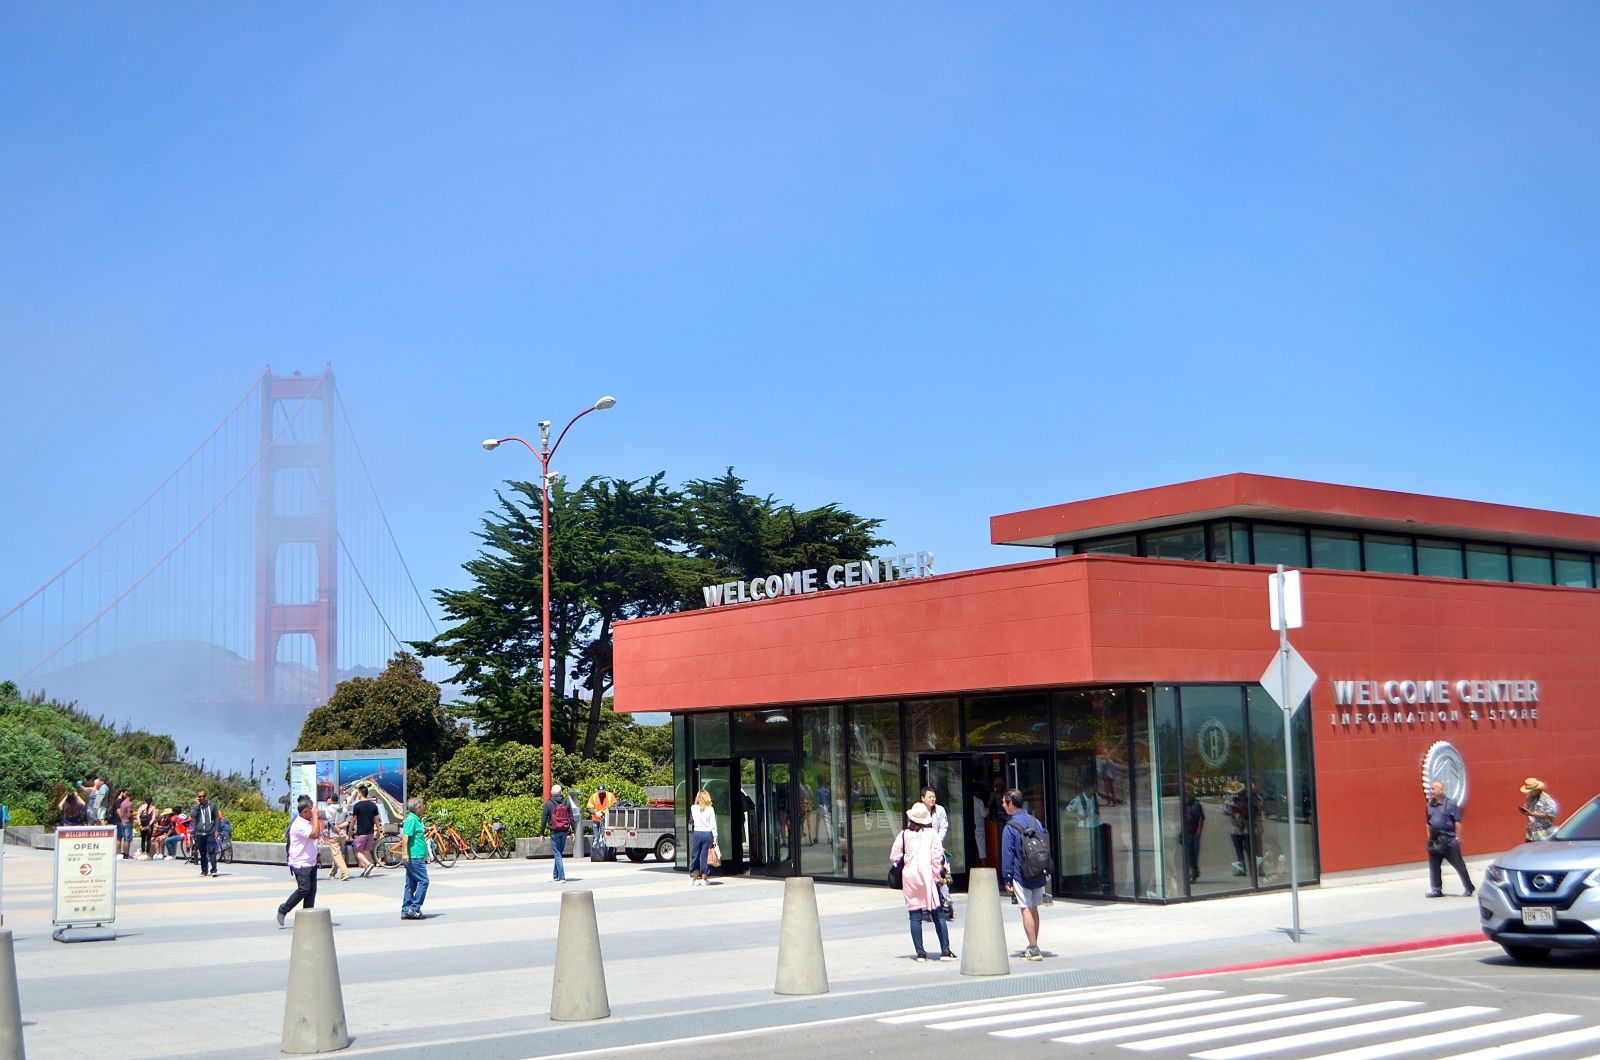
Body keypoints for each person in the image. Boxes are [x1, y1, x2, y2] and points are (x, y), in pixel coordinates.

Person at [891, 803, 954, 961]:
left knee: (914, 915)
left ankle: (920, 953)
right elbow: (937, 857)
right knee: (938, 913)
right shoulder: (932, 834)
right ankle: (945, 950)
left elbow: (894, 856)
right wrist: (938, 878)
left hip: (910, 877)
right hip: (928, 877)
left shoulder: (904, 835)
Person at [1001, 788, 1047, 961]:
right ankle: (1034, 944)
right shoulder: (1036, 822)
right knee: (1034, 907)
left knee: (1025, 908)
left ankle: (1033, 948)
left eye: (1004, 803)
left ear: (1011, 804)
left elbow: (1008, 854)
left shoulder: (1010, 827)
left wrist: (1007, 878)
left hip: (1021, 873)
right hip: (1038, 870)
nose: (1003, 806)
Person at [1424, 779, 1474, 898]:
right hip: (1435, 839)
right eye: (1431, 788)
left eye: (1433, 788)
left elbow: (1457, 822)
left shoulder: (1451, 804)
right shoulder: (1429, 805)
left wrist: (1457, 837)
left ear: (1441, 790)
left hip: (1449, 839)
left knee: (1458, 864)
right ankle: (1436, 889)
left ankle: (1468, 887)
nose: (1431, 791)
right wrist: (1429, 838)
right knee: (1434, 865)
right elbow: (1428, 823)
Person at [277, 796, 320, 927]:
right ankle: (283, 909)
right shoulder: (299, 824)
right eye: (311, 810)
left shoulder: (308, 821)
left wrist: (317, 854)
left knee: (311, 891)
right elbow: (314, 835)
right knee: (304, 889)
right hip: (301, 863)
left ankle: (307, 918)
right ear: (304, 812)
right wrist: (316, 817)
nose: (313, 812)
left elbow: (314, 840)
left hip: (311, 862)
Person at [919, 786, 954, 919]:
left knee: (942, 872)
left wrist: (937, 841)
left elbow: (944, 826)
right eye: (930, 797)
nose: (932, 799)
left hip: (937, 847)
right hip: (923, 848)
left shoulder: (940, 810)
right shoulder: (919, 812)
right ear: (923, 798)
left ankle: (946, 899)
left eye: (934, 797)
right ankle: (925, 903)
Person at [400, 797, 429, 920]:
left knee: (410, 883)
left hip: (415, 855)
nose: (423, 808)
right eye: (422, 806)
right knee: (424, 881)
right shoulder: (411, 820)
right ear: (417, 808)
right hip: (414, 856)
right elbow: (405, 837)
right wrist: (406, 853)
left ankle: (406, 910)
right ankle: (414, 908)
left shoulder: (415, 820)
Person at [542, 784, 577, 882]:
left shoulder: (548, 804)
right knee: (559, 853)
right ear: (561, 792)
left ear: (551, 793)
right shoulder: (566, 802)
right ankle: (555, 876)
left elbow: (544, 819)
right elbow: (571, 817)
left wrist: (542, 833)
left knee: (557, 854)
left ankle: (561, 877)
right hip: (565, 831)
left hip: (554, 831)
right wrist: (573, 831)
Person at [350, 784, 380, 878]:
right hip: (370, 832)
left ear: (360, 793)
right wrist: (378, 831)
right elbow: (376, 819)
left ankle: (368, 864)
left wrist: (350, 830)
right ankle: (366, 870)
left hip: (361, 833)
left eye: (358, 793)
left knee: (357, 851)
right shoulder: (373, 805)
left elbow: (354, 819)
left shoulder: (357, 805)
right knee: (366, 851)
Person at [689, 789, 718, 886]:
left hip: (697, 832)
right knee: (705, 856)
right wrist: (715, 839)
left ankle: (695, 878)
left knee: (695, 855)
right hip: (707, 833)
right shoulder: (710, 809)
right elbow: (713, 825)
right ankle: (704, 879)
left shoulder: (693, 808)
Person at [189, 790, 219, 877]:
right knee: (202, 852)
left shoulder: (212, 805)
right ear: (197, 797)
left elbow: (217, 818)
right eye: (200, 796)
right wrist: (196, 805)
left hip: (210, 832)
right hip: (199, 833)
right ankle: (204, 870)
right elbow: (193, 815)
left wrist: (217, 830)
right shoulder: (196, 806)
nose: (202, 798)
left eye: (203, 796)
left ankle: (214, 870)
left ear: (206, 796)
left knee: (211, 851)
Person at [1518, 778, 1558, 842]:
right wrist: (1526, 812)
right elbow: (1529, 812)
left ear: (1536, 790)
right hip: (1530, 835)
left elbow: (1549, 815)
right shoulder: (1529, 799)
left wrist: (1533, 814)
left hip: (1543, 835)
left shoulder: (1546, 800)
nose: (1529, 792)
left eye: (1530, 790)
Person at [1182, 783, 1205, 884]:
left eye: (1188, 790)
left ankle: (1194, 872)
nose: (1186, 792)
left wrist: (1198, 833)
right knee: (1188, 854)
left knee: (1193, 854)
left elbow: (1201, 818)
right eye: (1184, 790)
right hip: (1186, 833)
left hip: (1194, 833)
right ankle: (1194, 872)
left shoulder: (1196, 804)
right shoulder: (1183, 804)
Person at [322, 798, 351, 881]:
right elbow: (348, 821)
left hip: (333, 834)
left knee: (336, 854)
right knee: (339, 854)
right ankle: (332, 873)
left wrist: (338, 830)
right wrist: (341, 829)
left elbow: (331, 823)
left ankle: (344, 872)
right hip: (343, 834)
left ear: (331, 800)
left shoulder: (328, 809)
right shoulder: (344, 809)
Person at [971, 782, 990, 863]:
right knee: (981, 847)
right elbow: (984, 814)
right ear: (977, 791)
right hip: (979, 827)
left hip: (972, 826)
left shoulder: (969, 800)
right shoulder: (979, 802)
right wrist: (988, 809)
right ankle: (983, 865)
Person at [135, 795, 158, 859]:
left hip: (142, 825)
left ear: (144, 800)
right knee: (148, 839)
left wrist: (140, 825)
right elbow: (153, 818)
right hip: (149, 825)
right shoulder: (153, 808)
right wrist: (149, 825)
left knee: (143, 839)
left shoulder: (141, 807)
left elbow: (138, 816)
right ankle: (147, 853)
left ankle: (142, 853)